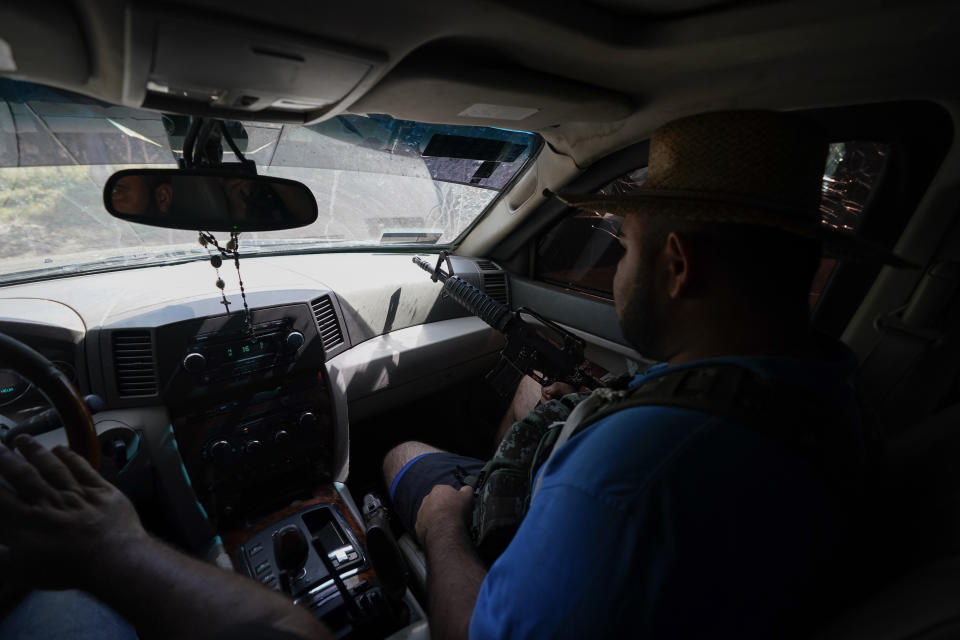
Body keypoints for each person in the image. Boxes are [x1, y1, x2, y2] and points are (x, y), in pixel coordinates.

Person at [383, 110, 879, 639]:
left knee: (403, 454)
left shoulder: (626, 474)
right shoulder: (819, 388)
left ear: (678, 264)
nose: (618, 267)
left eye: (624, 246)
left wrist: (442, 526)